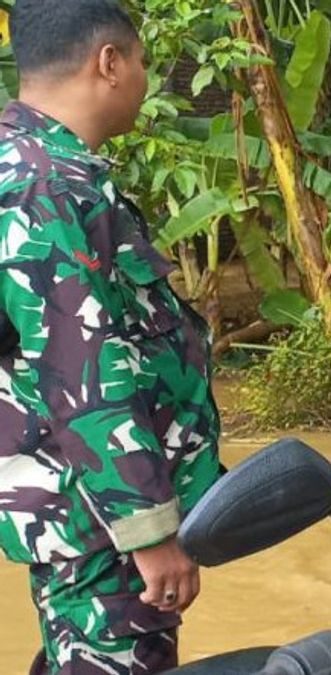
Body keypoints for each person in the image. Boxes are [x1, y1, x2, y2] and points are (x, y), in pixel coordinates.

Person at [0, 1, 221, 672]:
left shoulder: (36, 165)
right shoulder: (45, 185)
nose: (146, 80)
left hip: (89, 517)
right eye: (145, 63)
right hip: (101, 531)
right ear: (109, 62)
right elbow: (79, 366)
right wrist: (149, 532)